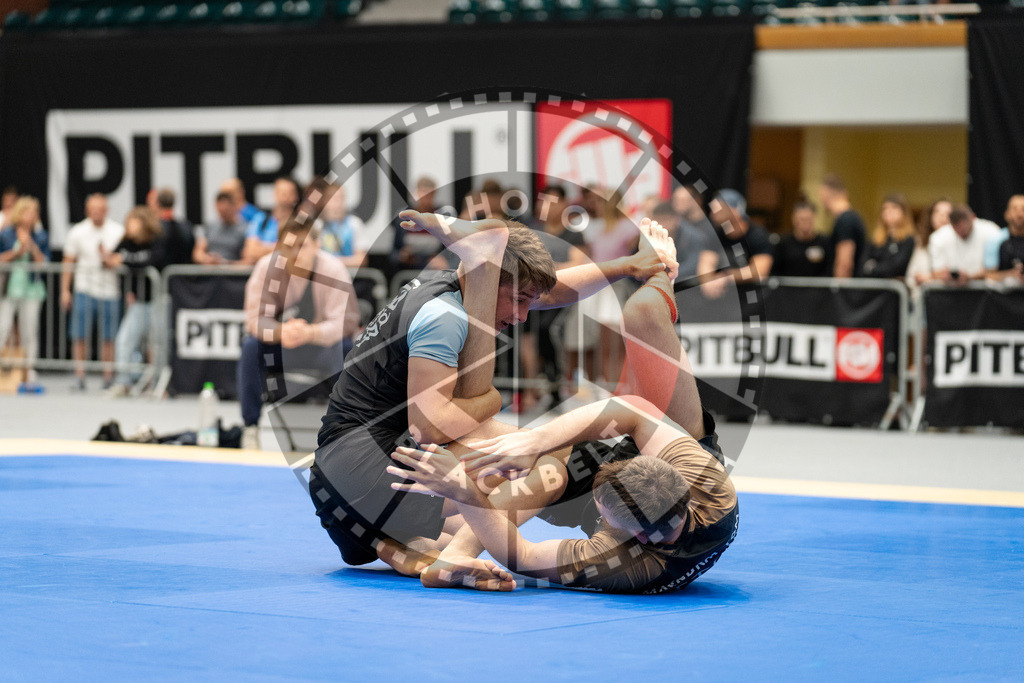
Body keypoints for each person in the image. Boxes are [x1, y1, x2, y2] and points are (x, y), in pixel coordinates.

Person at [309, 208, 675, 590]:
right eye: (517, 300)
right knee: (546, 454)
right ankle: (454, 553)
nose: (521, 316)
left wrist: (630, 265)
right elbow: (429, 427)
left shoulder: (446, 286)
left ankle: (420, 552)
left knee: (462, 522)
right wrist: (492, 399)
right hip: (366, 471)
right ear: (486, 275)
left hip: (341, 494)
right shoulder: (444, 318)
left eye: (527, 302)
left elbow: (553, 291)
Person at [390, 221, 738, 594]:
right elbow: (633, 411)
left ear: (625, 535)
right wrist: (533, 441)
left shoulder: (621, 563)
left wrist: (462, 490)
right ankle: (661, 268)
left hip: (602, 510)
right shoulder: (708, 485)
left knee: (534, 482)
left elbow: (519, 553)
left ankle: (446, 552)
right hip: (666, 487)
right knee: (643, 312)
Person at [238, 219, 360, 450]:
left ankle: (346, 430)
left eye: (301, 245)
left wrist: (309, 332)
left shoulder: (334, 270)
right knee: (251, 347)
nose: (294, 253)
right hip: (280, 346)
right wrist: (282, 331)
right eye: (288, 246)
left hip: (320, 347)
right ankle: (250, 427)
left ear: (317, 245)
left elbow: (342, 325)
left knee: (345, 348)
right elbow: (254, 320)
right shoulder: (265, 268)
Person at [61, 193, 125, 391]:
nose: (97, 212)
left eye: (100, 209)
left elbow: (124, 258)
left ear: (107, 210)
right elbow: (68, 261)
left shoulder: (118, 231)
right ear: (88, 211)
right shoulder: (78, 231)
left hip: (110, 291)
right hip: (84, 289)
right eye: (93, 209)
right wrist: (65, 289)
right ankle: (79, 376)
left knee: (109, 337)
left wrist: (111, 260)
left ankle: (108, 377)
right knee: (80, 335)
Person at [105, 207, 162, 397]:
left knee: (156, 344)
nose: (130, 226)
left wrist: (124, 260)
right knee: (125, 340)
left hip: (158, 300)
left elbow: (149, 261)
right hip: (138, 301)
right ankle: (124, 382)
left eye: (134, 222)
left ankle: (156, 383)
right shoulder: (126, 241)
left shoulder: (156, 239)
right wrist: (108, 258)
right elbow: (112, 257)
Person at [0, 196, 50, 392]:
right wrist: (17, 252)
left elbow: (45, 262)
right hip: (10, 287)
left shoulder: (40, 236)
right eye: (27, 212)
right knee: (3, 328)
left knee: (29, 331)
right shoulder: (6, 234)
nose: (30, 216)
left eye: (33, 213)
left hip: (31, 288)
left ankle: (29, 372)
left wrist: (32, 246)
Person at [697, 189, 773, 299]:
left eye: (719, 208)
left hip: (752, 295)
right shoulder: (715, 234)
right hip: (722, 296)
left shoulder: (757, 234)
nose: (713, 213)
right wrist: (707, 281)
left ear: (735, 211)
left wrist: (726, 278)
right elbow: (706, 262)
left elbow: (759, 270)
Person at [928, 203, 1001, 285]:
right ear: (951, 224)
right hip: (950, 291)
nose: (961, 232)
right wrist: (946, 275)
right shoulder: (938, 237)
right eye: (957, 229)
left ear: (973, 218)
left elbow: (996, 270)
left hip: (986, 291)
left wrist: (970, 277)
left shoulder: (991, 232)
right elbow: (936, 271)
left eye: (965, 228)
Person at [391, 176, 447, 272]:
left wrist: (443, 259)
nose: (426, 198)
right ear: (416, 193)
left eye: (430, 194)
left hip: (434, 273)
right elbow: (393, 253)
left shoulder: (442, 218)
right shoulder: (403, 216)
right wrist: (402, 256)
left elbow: (452, 249)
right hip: (408, 272)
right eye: (423, 192)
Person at [241, 176, 301, 264]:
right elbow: (250, 252)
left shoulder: (300, 223)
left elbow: (293, 253)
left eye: (289, 192)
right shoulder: (261, 218)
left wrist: (262, 248)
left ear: (296, 196)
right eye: (281, 192)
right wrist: (278, 247)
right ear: (274, 193)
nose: (285, 196)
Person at [818, 174, 866, 278]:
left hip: (846, 288)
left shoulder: (845, 221)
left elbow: (844, 263)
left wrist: (839, 289)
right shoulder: (850, 218)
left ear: (827, 193)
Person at [860, 194, 917, 279]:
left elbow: (896, 267)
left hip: (893, 289)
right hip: (872, 286)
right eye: (885, 208)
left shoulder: (908, 239)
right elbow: (863, 264)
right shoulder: (875, 238)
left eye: (894, 207)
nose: (889, 211)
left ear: (903, 212)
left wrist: (874, 268)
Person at [771, 201, 831, 278]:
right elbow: (775, 271)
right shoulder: (783, 243)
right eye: (801, 219)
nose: (805, 222)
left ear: (814, 218)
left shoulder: (825, 242)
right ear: (794, 219)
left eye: (808, 219)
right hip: (789, 289)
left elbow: (829, 270)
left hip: (817, 288)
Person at [319, 183, 370, 269]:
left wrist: (332, 262)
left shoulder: (354, 223)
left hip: (350, 276)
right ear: (324, 201)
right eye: (333, 199)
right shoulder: (317, 226)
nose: (338, 204)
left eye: (341, 198)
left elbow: (361, 260)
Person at [905, 198, 951, 291]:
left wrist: (931, 278)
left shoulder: (958, 243)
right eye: (937, 212)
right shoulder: (921, 243)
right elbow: (911, 277)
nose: (942, 216)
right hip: (923, 299)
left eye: (947, 213)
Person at [192, 191, 248, 265]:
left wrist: (224, 263)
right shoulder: (210, 226)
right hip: (209, 272)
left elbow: (247, 261)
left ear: (234, 207)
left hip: (232, 274)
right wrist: (206, 259)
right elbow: (198, 253)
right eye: (220, 210)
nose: (223, 214)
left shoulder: (245, 229)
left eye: (226, 210)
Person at [151, 187, 195, 267]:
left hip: (164, 274)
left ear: (158, 203)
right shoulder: (186, 226)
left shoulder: (156, 228)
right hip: (184, 274)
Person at [986, 194, 1024, 285]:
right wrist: (1009, 275)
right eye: (1015, 209)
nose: (1019, 214)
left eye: (1023, 209)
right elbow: (988, 275)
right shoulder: (995, 240)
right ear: (1007, 214)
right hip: (1002, 296)